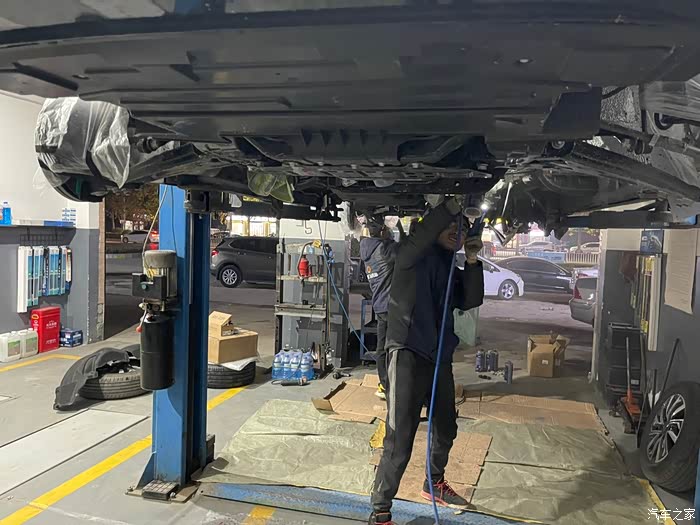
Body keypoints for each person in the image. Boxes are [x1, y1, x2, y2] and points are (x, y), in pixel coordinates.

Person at [369, 198, 484, 525]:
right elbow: (419, 238)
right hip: (407, 353)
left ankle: (433, 483)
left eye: (463, 229)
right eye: (451, 227)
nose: (457, 233)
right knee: (399, 439)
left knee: (446, 427)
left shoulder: (449, 265)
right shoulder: (410, 256)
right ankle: (380, 511)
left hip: (438, 359)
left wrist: (472, 260)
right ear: (433, 227)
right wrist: (449, 207)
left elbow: (470, 299)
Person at [359, 217, 405, 400]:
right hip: (393, 307)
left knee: (382, 348)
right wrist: (401, 228)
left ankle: (384, 385)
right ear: (383, 231)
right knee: (398, 348)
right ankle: (396, 387)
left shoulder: (367, 249)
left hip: (380, 306)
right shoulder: (386, 249)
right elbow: (408, 249)